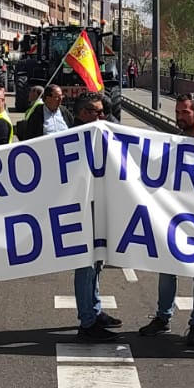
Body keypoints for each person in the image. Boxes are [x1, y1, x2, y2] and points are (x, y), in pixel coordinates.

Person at [140, 93, 194, 348]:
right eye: (178, 112)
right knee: (167, 270)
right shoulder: (173, 140)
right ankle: (163, 317)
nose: (180, 117)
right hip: (173, 217)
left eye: (185, 112)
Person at [69, 92, 122, 342]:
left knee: (98, 263)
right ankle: (87, 322)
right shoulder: (71, 139)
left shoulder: (102, 135)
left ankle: (95, 310)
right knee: (86, 266)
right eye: (95, 111)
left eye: (103, 111)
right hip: (81, 211)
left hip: (100, 207)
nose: (102, 116)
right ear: (82, 113)